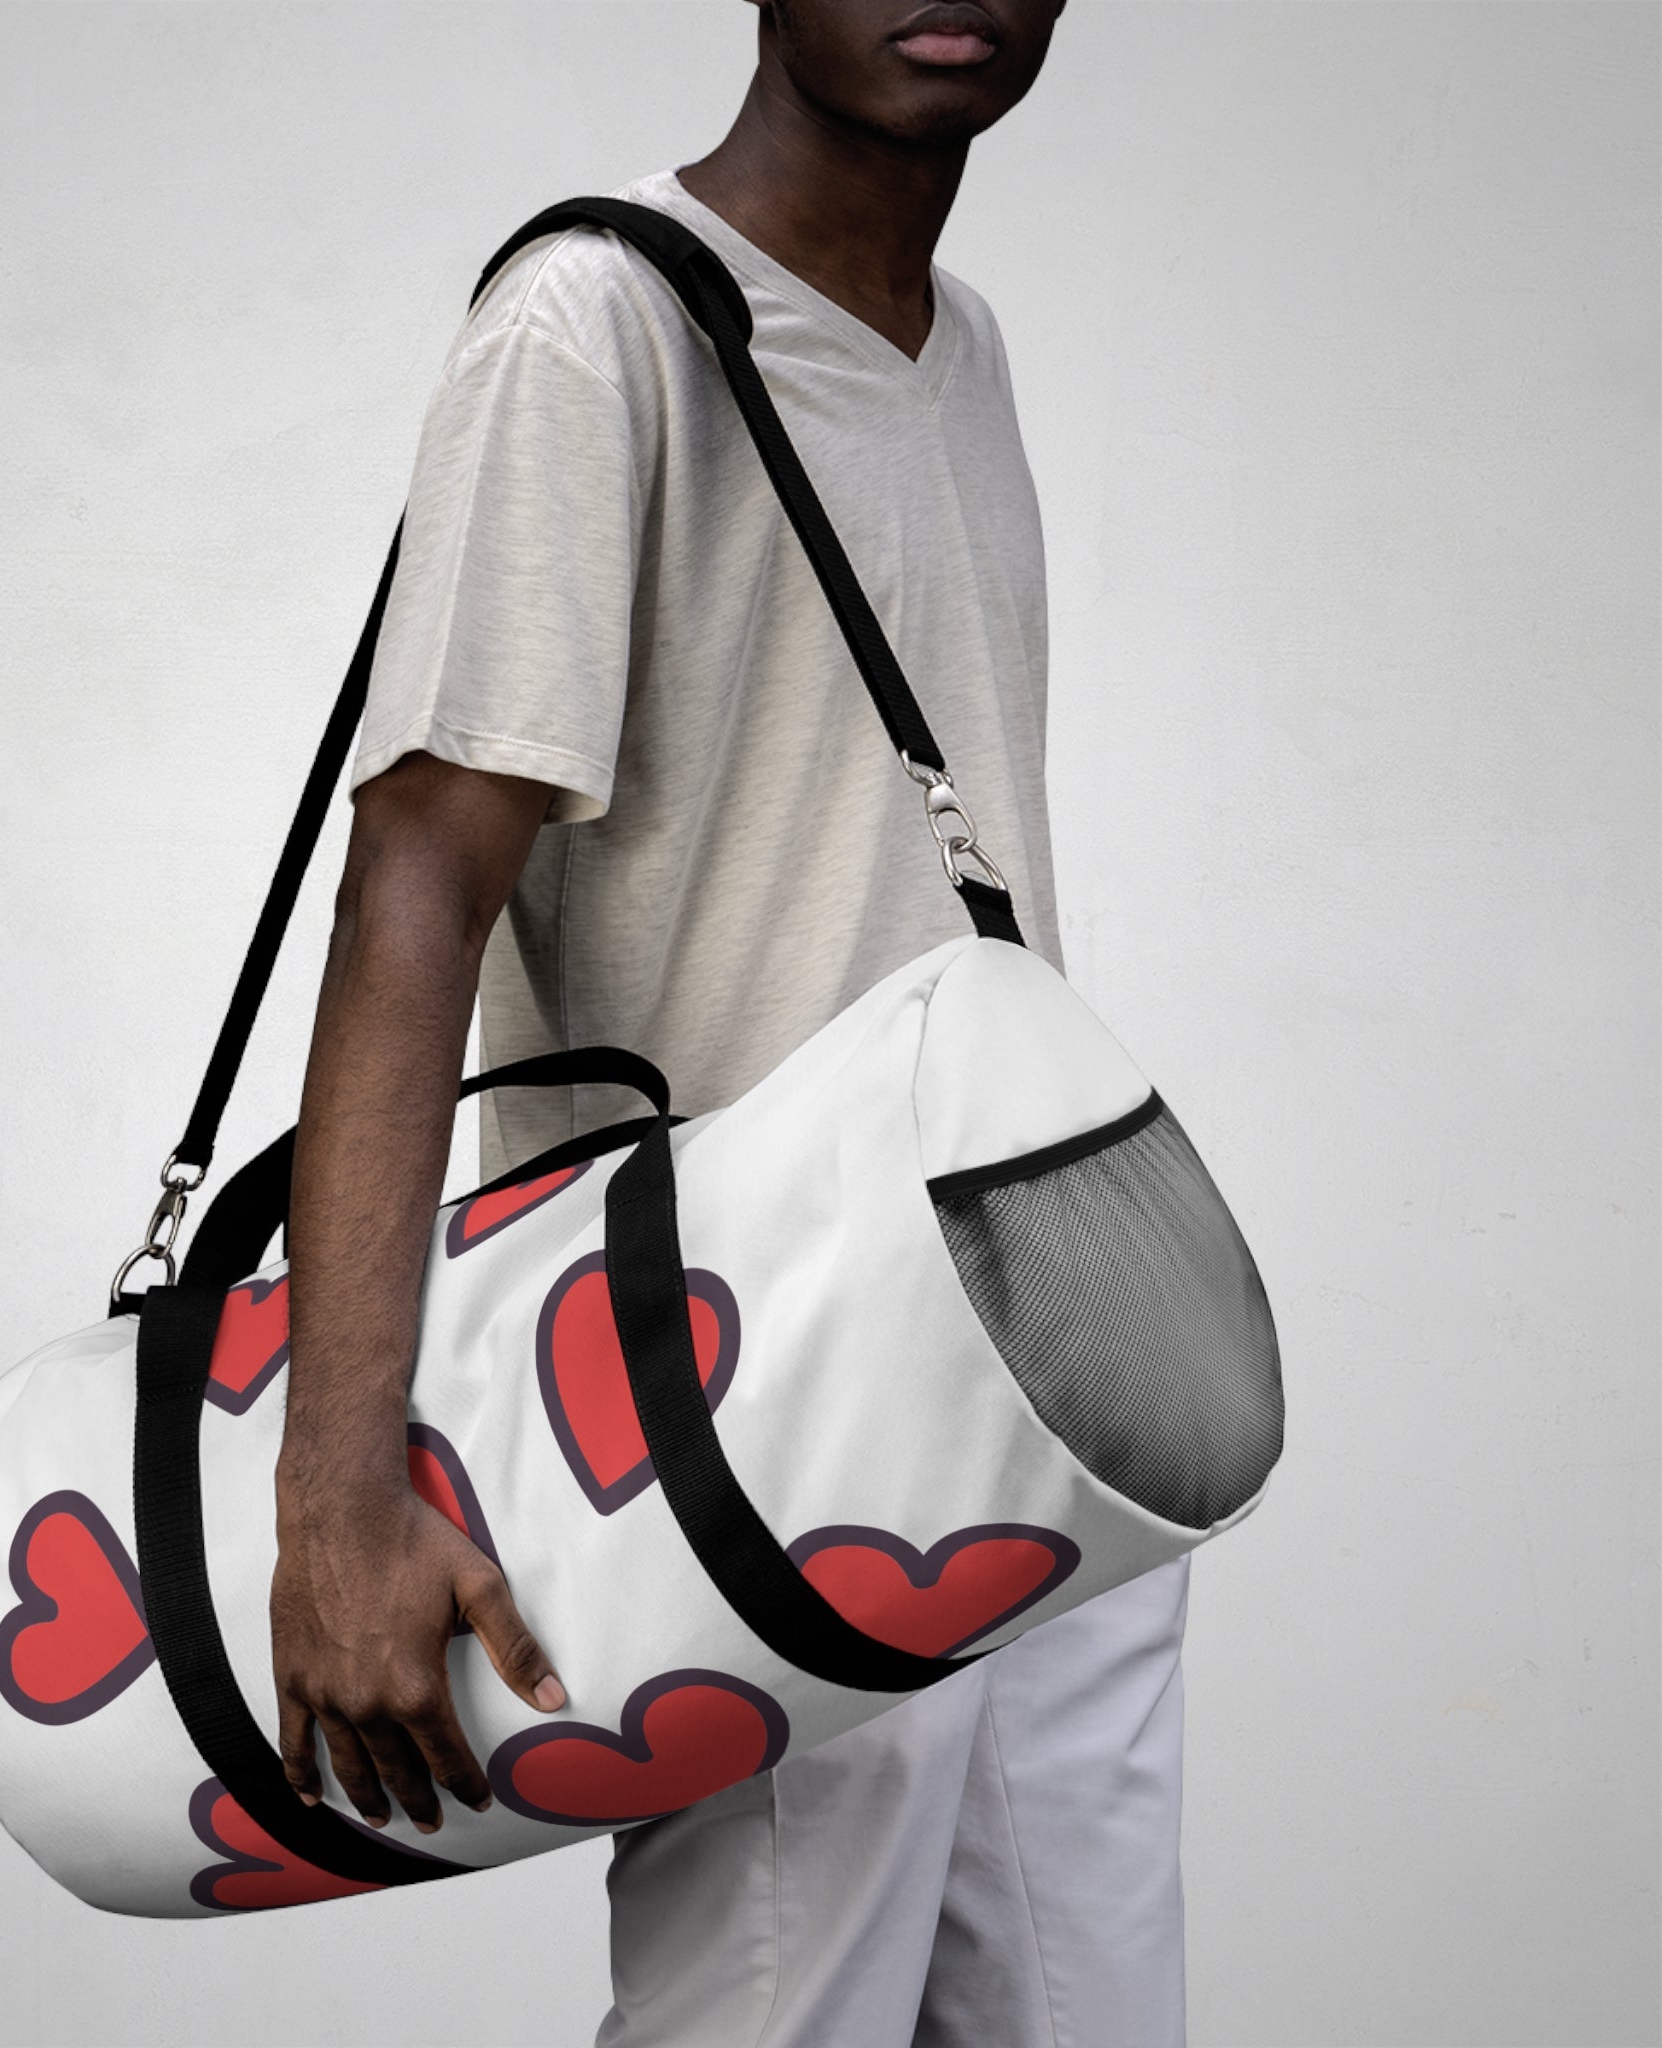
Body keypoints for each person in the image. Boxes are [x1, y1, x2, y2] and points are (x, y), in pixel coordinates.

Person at [269, 1, 1191, 2040]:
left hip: (1042, 1370)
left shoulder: (967, 352)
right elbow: (417, 877)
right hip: (758, 1395)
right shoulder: (596, 329)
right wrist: (338, 1487)